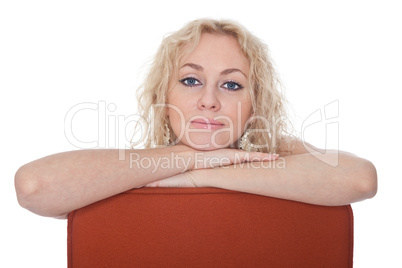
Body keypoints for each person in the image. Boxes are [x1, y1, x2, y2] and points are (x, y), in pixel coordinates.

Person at [14, 19, 377, 219]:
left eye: (231, 85)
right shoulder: (133, 169)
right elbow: (33, 187)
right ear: (163, 96)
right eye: (191, 80)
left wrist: (194, 176)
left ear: (255, 105)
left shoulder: (277, 154)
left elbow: (360, 180)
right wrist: (186, 157)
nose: (209, 101)